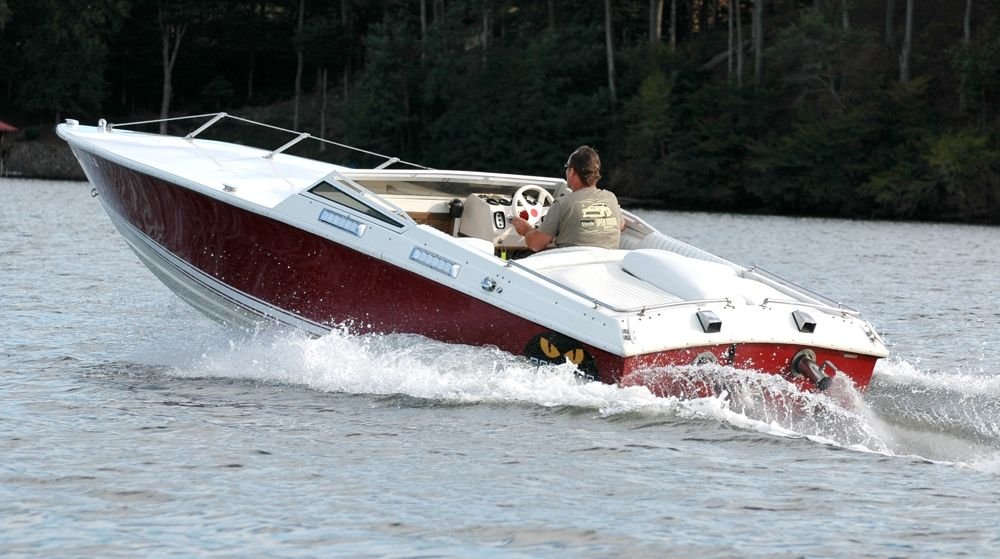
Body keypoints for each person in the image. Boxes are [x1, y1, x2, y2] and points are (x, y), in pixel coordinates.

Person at [512, 146, 623, 252]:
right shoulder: (611, 198)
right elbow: (621, 224)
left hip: (573, 262)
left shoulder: (562, 203)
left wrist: (526, 230)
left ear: (572, 171)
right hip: (607, 261)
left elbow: (535, 244)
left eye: (566, 167)